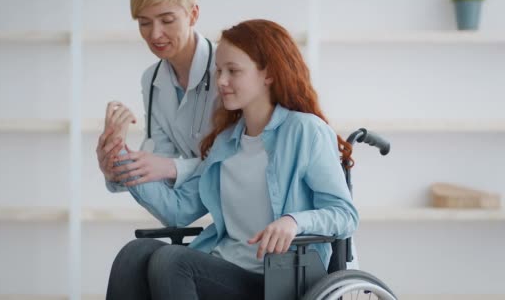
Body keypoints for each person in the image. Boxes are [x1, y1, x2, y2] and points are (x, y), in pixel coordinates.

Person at [104, 19, 359, 300]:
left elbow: (345, 215)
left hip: (275, 279)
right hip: (222, 267)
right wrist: (119, 158)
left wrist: (293, 221)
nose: (221, 81)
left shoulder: (304, 131)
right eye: (219, 71)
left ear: (269, 74)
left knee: (173, 262)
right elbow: (178, 209)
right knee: (134, 254)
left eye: (233, 71)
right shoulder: (226, 141)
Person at [97, 0, 218, 192]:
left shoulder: (226, 68)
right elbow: (156, 163)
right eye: (144, 22)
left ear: (193, 15)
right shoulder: (152, 80)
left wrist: (172, 168)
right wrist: (115, 164)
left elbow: (240, 163)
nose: (154, 34)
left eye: (167, 20)